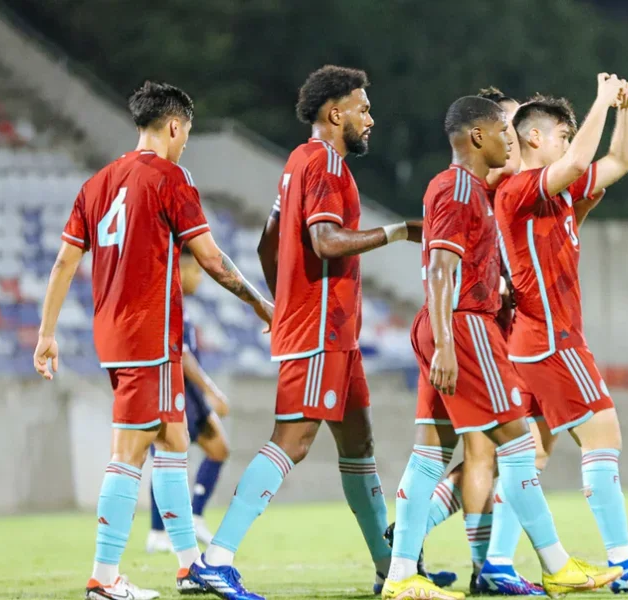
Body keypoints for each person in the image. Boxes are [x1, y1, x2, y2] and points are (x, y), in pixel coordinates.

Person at [33, 81, 273, 600]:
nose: (185, 142)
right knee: (129, 451)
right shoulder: (169, 177)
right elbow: (209, 258)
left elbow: (64, 262)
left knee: (173, 441)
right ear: (172, 126)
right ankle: (103, 577)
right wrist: (259, 303)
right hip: (150, 335)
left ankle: (190, 567)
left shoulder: (97, 183)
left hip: (113, 334)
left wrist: (47, 333)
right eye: (186, 132)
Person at [192, 65, 421, 600]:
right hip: (320, 328)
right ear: (335, 112)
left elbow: (269, 242)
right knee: (292, 441)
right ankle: (216, 558)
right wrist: (400, 230)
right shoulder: (323, 162)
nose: (371, 118)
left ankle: (391, 569)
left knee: (359, 443)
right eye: (363, 108)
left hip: (331, 329)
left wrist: (284, 298)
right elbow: (323, 241)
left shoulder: (298, 162)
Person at [382, 95, 623, 600]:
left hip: (449, 324)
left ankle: (402, 573)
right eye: (502, 132)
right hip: (465, 328)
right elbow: (444, 268)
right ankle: (552, 564)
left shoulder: (461, 189)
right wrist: (448, 343)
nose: (509, 140)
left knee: (431, 453)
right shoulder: (459, 189)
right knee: (518, 446)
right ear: (477, 137)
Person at [492, 76, 628, 593]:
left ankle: (494, 563)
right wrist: (600, 98)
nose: (569, 141)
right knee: (603, 437)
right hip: (553, 339)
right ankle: (624, 562)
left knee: (529, 456)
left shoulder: (558, 194)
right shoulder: (516, 190)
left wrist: (626, 108)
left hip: (533, 343)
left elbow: (620, 162)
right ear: (534, 138)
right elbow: (577, 163)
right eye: (561, 132)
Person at [146, 249, 233, 554]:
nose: (200, 277)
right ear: (180, 270)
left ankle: (193, 515)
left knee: (219, 448)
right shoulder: (169, 299)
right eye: (196, 271)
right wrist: (211, 388)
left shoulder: (182, 302)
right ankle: (158, 532)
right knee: (167, 457)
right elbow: (180, 353)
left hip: (188, 392)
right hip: (172, 389)